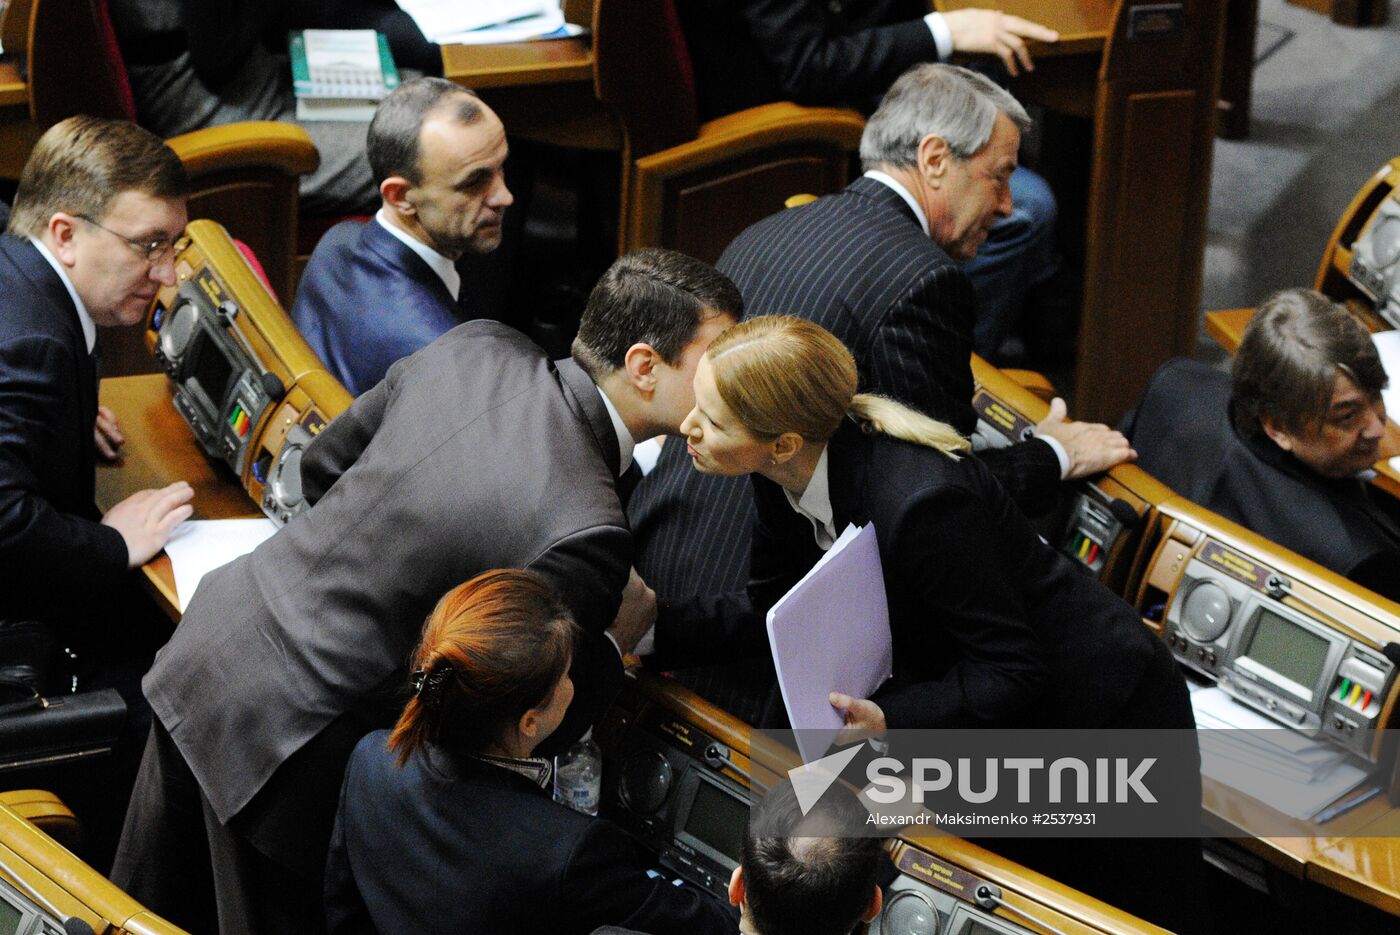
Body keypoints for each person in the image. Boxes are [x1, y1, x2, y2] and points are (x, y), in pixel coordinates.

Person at [111, 249, 740, 934]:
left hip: (214, 638)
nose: (732, 375)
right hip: (296, 742)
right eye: (717, 356)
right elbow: (531, 716)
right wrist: (615, 643)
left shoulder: (478, 344)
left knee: (142, 909)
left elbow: (321, 469)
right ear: (645, 367)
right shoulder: (587, 524)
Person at [654, 315, 1199, 930]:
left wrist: (892, 721)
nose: (686, 427)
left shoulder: (923, 503)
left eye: (713, 420)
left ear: (783, 441)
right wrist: (652, 627)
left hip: (1102, 714)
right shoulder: (778, 472)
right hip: (972, 688)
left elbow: (1015, 671)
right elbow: (773, 606)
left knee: (1107, 909)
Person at [627, 66, 1132, 700]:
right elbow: (936, 488)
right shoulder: (923, 280)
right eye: (999, 175)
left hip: (663, 566)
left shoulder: (770, 230)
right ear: (935, 158)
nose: (1008, 204)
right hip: (767, 640)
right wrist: (1054, 454)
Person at [326, 569, 736, 934]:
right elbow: (706, 925)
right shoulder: (570, 851)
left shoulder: (371, 758)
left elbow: (343, 911)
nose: (572, 685)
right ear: (529, 722)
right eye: (565, 675)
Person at [0, 114, 196, 867]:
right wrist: (115, 542)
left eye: (174, 245)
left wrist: (65, 420)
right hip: (18, 640)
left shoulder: (23, 277)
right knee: (180, 703)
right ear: (65, 231)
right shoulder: (33, 341)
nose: (169, 272)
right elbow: (4, 522)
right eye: (149, 245)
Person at [676, 2, 1061, 358]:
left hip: (860, 91)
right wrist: (942, 30)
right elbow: (809, 64)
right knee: (1024, 210)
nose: (1003, 201)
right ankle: (956, 363)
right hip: (796, 131)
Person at [1125, 288, 1400, 601]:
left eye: (1377, 394)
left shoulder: (1176, 384)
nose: (1378, 428)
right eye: (1347, 416)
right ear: (1278, 427)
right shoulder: (1357, 557)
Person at [291, 78, 513, 395]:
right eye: (474, 182)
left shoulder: (335, 245)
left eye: (501, 167)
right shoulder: (443, 359)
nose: (504, 197)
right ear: (400, 196)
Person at [107, 0, 387, 216]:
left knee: (420, 90)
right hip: (225, 128)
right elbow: (217, 60)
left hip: (260, 80)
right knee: (420, 153)